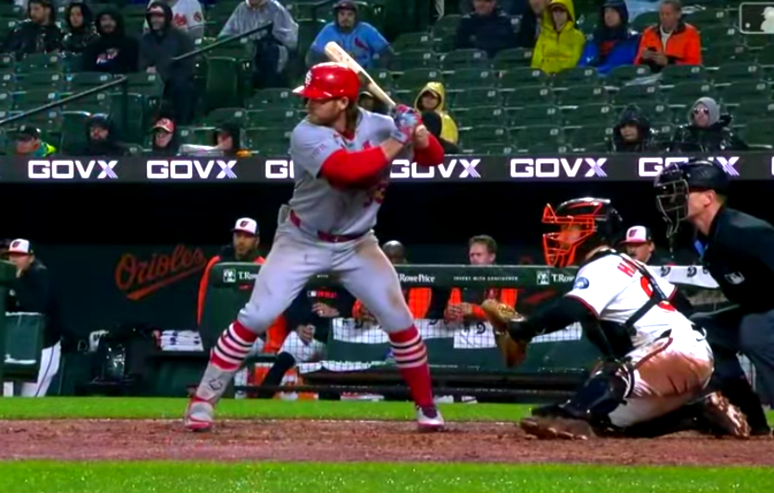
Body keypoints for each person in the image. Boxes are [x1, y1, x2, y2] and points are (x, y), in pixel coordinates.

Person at [184, 62, 446, 432]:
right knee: (256, 317)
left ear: (343, 102)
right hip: (302, 239)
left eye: (317, 99)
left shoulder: (379, 125)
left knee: (400, 322)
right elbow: (347, 173)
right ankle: (203, 399)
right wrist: (399, 138)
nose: (308, 104)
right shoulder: (305, 133)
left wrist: (418, 135)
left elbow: (434, 160)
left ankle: (426, 406)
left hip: (357, 243)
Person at [482, 197, 749, 439]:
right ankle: (699, 414)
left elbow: (572, 309)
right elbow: (679, 301)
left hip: (674, 351)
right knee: (607, 423)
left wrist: (523, 329)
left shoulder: (602, 265)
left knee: (610, 375)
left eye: (568, 228)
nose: (560, 236)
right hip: (675, 359)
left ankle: (571, 415)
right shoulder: (627, 263)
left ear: (592, 231)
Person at [655, 159, 774, 436]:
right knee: (700, 329)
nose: (673, 200)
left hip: (767, 311)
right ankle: (749, 416)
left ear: (708, 197)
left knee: (754, 331)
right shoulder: (700, 236)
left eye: (682, 192)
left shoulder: (748, 232)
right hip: (758, 307)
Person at [3, 239, 69, 397]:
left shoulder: (40, 275)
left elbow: (36, 307)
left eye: (19, 255)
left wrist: (17, 282)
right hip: (17, 348)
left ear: (31, 258)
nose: (14, 259)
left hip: (44, 348)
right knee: (6, 397)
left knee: (29, 400)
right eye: (11, 255)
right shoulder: (9, 277)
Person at [139, 2, 197, 125]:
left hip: (175, 80)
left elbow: (187, 65)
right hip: (151, 81)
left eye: (159, 16)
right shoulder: (145, 39)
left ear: (167, 17)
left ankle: (181, 124)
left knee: (183, 88)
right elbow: (141, 61)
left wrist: (162, 71)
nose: (155, 20)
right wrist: (147, 69)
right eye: (152, 16)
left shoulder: (182, 38)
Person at [306, 1, 392, 70]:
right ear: (337, 16)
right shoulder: (328, 30)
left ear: (355, 17)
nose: (345, 18)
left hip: (363, 78)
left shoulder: (366, 29)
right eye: (342, 14)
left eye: (350, 14)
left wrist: (376, 71)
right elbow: (311, 58)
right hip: (336, 77)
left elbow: (386, 52)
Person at [633, 0, 701, 72]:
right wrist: (643, 58)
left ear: (678, 15)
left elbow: (694, 64)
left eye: (667, 14)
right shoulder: (649, 32)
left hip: (678, 75)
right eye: (662, 14)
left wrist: (668, 62)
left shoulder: (690, 33)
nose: (664, 17)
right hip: (652, 74)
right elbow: (637, 63)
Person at [578, 0, 640, 75]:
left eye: (613, 11)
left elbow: (623, 65)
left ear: (622, 14)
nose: (609, 15)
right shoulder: (593, 40)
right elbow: (582, 65)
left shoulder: (632, 40)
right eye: (606, 11)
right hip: (589, 79)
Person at [669, 97, 748, 153]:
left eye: (705, 111)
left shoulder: (726, 135)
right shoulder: (683, 133)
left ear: (713, 113)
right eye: (696, 111)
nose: (700, 115)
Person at [531, 0, 585, 75]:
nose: (558, 14)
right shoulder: (543, 36)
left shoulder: (577, 37)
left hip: (567, 78)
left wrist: (559, 75)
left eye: (562, 11)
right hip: (545, 78)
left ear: (568, 13)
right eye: (555, 11)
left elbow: (574, 61)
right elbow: (536, 61)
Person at [454, 0, 519, 58]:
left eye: (487, 1)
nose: (481, 4)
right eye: (478, 1)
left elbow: (510, 50)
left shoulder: (504, 21)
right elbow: (460, 51)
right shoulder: (466, 22)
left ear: (494, 3)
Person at [82, 8, 140, 74]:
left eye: (111, 19)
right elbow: (88, 71)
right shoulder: (92, 46)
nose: (107, 23)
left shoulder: (130, 44)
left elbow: (134, 69)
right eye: (104, 20)